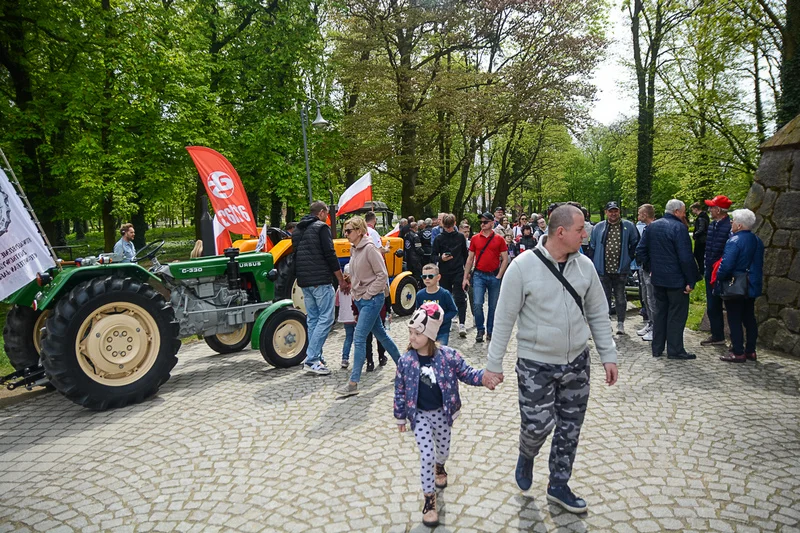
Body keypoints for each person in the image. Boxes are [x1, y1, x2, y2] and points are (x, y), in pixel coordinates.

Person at [484, 205, 618, 513]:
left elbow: (598, 312)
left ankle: (559, 484)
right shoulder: (522, 267)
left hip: (577, 363)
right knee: (537, 425)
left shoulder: (585, 267)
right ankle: (526, 453)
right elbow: (503, 318)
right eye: (580, 230)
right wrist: (494, 364)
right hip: (535, 364)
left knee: (570, 426)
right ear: (561, 232)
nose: (586, 235)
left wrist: (607, 355)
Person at [394, 303, 491, 527]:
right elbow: (399, 389)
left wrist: (485, 377)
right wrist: (400, 416)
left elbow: (467, 373)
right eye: (411, 332)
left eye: (417, 333)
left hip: (442, 414)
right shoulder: (406, 361)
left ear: (430, 335)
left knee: (443, 451)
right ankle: (429, 500)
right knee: (426, 455)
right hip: (419, 417)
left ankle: (441, 466)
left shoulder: (448, 356)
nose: (412, 337)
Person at [336, 216, 402, 396]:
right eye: (345, 231)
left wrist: (367, 293)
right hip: (362, 300)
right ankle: (404, 366)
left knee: (358, 337)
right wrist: (356, 295)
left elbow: (382, 275)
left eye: (348, 231)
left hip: (372, 300)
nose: (346, 234)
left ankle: (353, 383)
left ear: (359, 231)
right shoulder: (354, 249)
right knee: (382, 335)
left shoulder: (370, 249)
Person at [636, 199, 699, 360]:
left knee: (660, 314)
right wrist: (691, 280)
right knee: (676, 315)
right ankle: (675, 349)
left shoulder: (652, 227)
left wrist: (651, 268)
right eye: (683, 211)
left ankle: (657, 348)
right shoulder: (679, 228)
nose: (685, 214)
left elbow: (640, 251)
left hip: (658, 279)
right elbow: (686, 257)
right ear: (677, 211)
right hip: (676, 280)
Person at [293, 201, 348, 375]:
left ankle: (317, 357)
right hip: (320, 280)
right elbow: (330, 255)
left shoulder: (297, 230)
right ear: (322, 212)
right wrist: (340, 279)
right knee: (326, 319)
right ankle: (312, 359)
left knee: (313, 320)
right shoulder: (321, 228)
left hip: (305, 282)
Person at [717, 209, 764, 363]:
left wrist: (720, 277)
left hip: (736, 284)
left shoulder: (734, 241)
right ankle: (751, 350)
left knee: (734, 318)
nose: (731, 222)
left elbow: (727, 264)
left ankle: (738, 351)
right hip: (752, 284)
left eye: (733, 220)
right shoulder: (758, 240)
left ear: (739, 225)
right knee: (749, 317)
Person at [588, 201, 640, 335]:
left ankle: (621, 323)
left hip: (620, 269)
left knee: (620, 297)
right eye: (610, 211)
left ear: (619, 212)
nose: (613, 213)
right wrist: (594, 263)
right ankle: (606, 323)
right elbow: (592, 246)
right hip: (602, 269)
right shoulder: (598, 227)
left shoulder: (628, 226)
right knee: (604, 298)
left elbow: (635, 243)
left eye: (615, 211)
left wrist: (629, 258)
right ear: (606, 212)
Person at [462, 212, 509, 343]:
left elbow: (505, 259)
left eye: (485, 222)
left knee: (493, 306)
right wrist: (465, 277)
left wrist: (499, 275)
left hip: (494, 275)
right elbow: (470, 259)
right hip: (479, 275)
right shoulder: (476, 238)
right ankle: (480, 329)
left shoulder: (499, 239)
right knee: (477, 304)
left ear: (492, 223)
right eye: (481, 222)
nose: (482, 224)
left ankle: (490, 330)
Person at [701, 195, 733, 347]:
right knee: (712, 305)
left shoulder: (729, 227)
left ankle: (735, 340)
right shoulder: (713, 225)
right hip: (710, 271)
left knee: (730, 306)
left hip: (723, 272)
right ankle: (717, 335)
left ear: (719, 210)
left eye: (712, 207)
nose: (709, 210)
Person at [432, 214, 469, 338]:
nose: (448, 229)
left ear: (454, 224)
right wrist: (440, 258)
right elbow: (432, 256)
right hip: (444, 272)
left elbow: (465, 255)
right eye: (446, 227)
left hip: (458, 271)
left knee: (459, 297)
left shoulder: (460, 237)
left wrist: (467, 273)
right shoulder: (439, 238)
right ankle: (446, 321)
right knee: (445, 297)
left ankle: (462, 323)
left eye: (449, 227)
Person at [415, 264, 458, 345]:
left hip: (442, 330)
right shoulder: (420, 295)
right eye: (424, 277)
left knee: (440, 354)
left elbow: (453, 310)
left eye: (430, 276)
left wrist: (441, 320)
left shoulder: (445, 294)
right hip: (426, 331)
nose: (427, 279)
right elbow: (418, 311)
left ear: (438, 277)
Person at [635, 204, 657, 342]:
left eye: (640, 212)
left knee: (651, 298)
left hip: (650, 268)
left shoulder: (654, 228)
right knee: (645, 296)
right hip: (643, 267)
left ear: (645, 214)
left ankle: (656, 327)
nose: (638, 214)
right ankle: (650, 322)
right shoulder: (646, 228)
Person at [336, 264, 356, 369]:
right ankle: (361, 356)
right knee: (358, 338)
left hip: (345, 317)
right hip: (355, 316)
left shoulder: (340, 289)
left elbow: (337, 303)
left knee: (348, 337)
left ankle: (345, 358)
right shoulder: (355, 287)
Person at [690, 202, 709, 274]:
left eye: (693, 210)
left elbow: (701, 228)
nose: (692, 211)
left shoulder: (701, 217)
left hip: (701, 240)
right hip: (703, 239)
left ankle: (701, 271)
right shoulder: (705, 216)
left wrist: (695, 234)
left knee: (699, 255)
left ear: (696, 209)